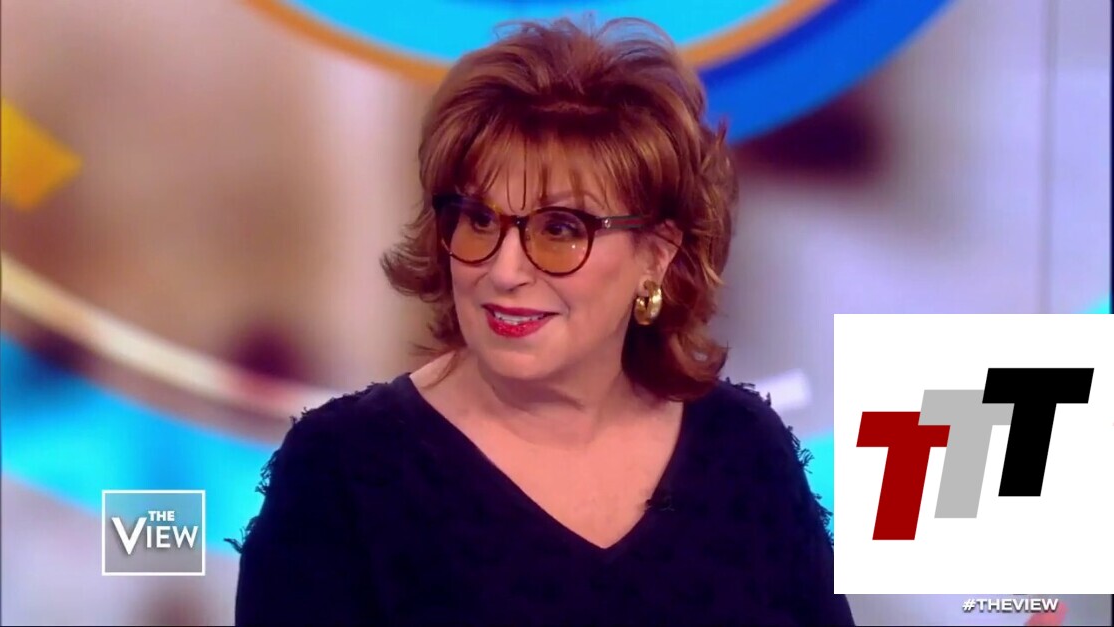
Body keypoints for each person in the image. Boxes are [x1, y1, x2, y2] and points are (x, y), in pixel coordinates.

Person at [232, 16, 855, 626]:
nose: (504, 270)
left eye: (560, 229)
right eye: (479, 220)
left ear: (657, 255)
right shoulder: (342, 470)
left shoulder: (743, 449)